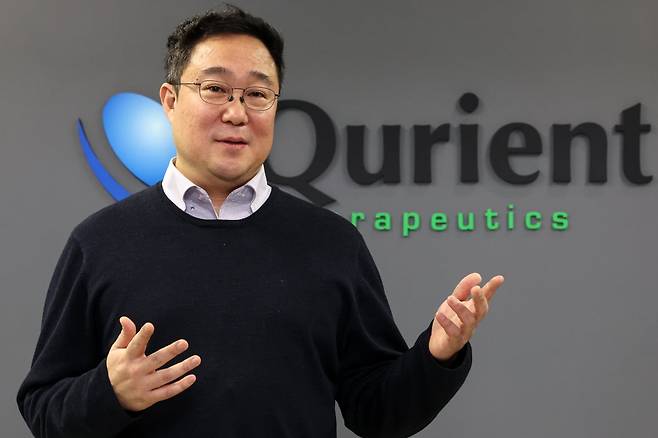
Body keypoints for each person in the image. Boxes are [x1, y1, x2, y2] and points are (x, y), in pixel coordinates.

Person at [17, 5, 504, 438]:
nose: (236, 113)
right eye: (215, 89)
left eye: (257, 94)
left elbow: (376, 412)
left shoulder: (331, 243)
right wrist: (110, 392)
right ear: (169, 100)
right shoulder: (99, 243)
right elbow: (43, 410)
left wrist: (436, 355)